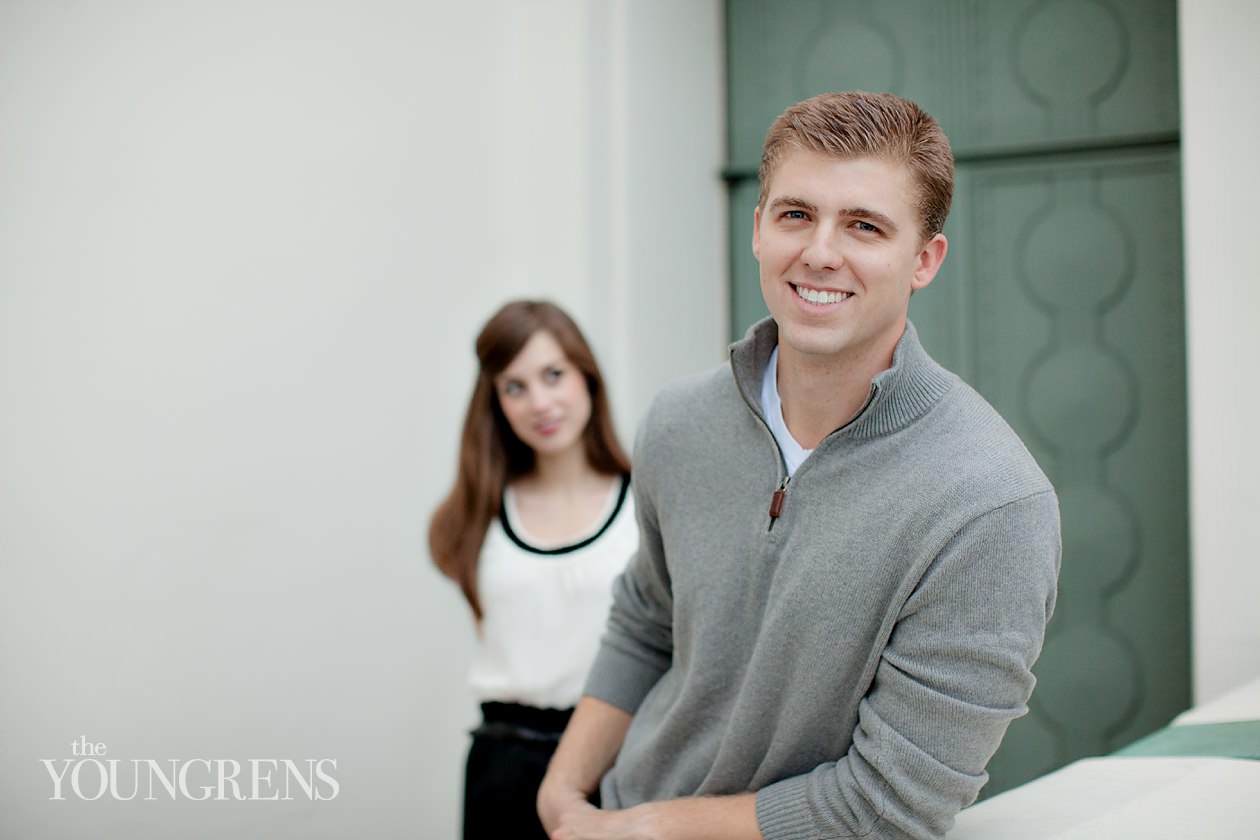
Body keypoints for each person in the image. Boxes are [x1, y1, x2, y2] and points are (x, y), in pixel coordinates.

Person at [537, 92, 1062, 840]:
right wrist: (561, 794)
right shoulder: (678, 424)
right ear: (757, 229)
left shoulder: (991, 503)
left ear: (925, 260)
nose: (820, 251)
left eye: (864, 225)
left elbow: (890, 805)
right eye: (795, 214)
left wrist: (647, 829)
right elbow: (646, 623)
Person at [429, 300, 636, 840]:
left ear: (587, 378)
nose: (539, 402)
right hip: (504, 767)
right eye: (514, 387)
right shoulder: (477, 516)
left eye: (553, 375)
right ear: (495, 402)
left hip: (618, 762)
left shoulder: (646, 506)